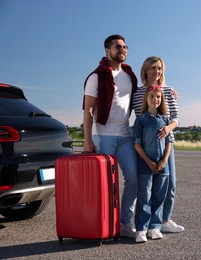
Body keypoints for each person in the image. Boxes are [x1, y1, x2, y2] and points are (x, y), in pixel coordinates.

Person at [82, 34, 138, 238]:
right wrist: (88, 139)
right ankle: (104, 225)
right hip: (103, 136)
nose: (123, 49)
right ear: (107, 51)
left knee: (133, 179)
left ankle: (124, 223)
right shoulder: (96, 76)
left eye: (125, 46)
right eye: (118, 46)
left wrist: (168, 91)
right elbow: (88, 110)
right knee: (105, 184)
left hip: (125, 136)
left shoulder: (130, 76)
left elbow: (146, 94)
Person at [132, 56, 184, 233]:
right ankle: (146, 224)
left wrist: (169, 128)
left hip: (166, 145)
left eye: (160, 68)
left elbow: (176, 117)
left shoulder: (168, 91)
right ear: (145, 70)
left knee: (170, 183)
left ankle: (165, 220)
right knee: (146, 188)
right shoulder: (138, 93)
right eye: (153, 68)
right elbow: (138, 117)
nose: (157, 72)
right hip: (145, 146)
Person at [133, 85, 173, 243]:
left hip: (163, 166)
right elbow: (137, 144)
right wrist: (149, 162)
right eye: (152, 96)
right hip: (145, 165)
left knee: (159, 196)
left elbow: (169, 143)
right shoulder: (141, 120)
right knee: (145, 196)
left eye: (158, 97)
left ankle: (154, 227)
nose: (155, 99)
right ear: (146, 98)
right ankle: (141, 229)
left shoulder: (165, 119)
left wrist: (164, 161)